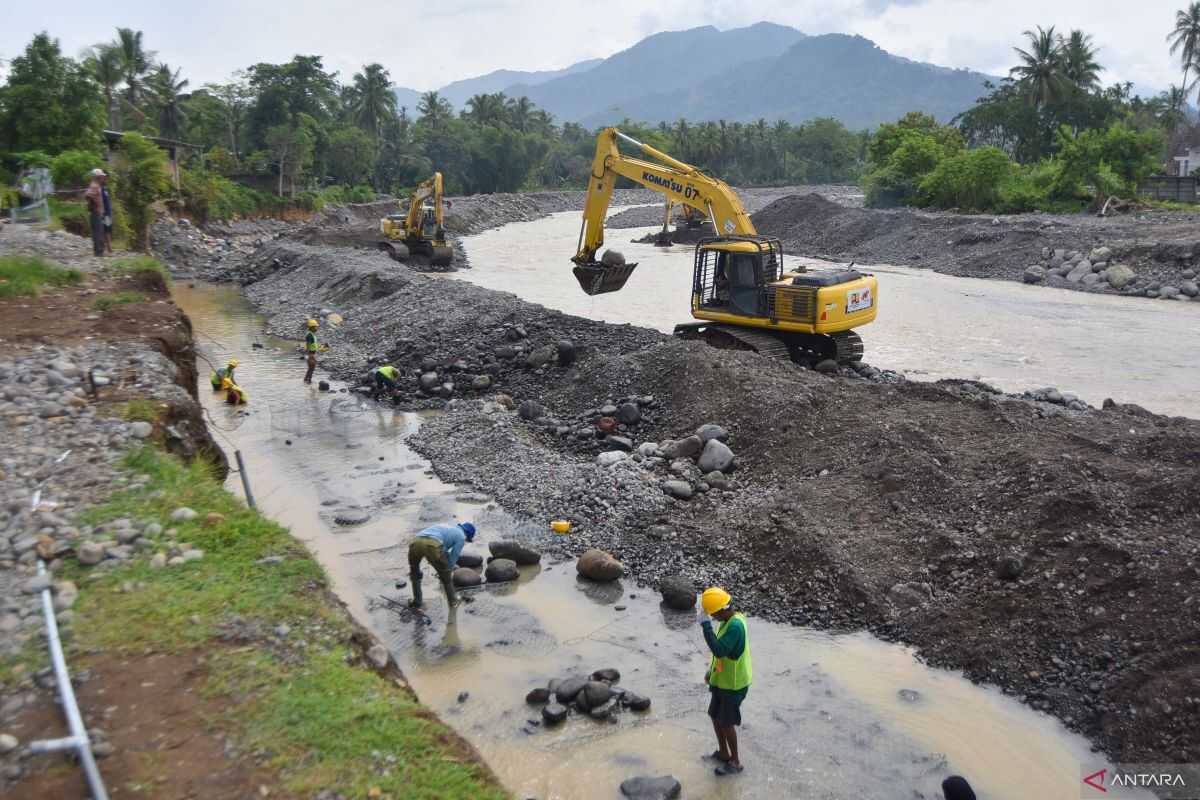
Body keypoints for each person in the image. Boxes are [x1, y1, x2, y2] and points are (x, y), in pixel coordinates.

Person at [698, 586, 751, 776]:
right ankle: (723, 753)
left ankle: (735, 761)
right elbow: (722, 653)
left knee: (726, 722)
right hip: (722, 680)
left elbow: (719, 650)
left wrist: (705, 626)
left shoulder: (735, 626)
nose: (714, 618)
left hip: (734, 685)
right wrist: (711, 671)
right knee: (715, 715)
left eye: (714, 615)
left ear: (723, 610)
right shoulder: (729, 620)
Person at [407, 522, 475, 609]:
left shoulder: (447, 527)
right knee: (446, 578)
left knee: (415, 572)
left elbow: (443, 549)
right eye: (467, 539)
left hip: (415, 542)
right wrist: (445, 571)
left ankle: (417, 602)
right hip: (432, 545)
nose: (465, 541)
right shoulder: (461, 537)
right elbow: (453, 557)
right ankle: (453, 602)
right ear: (467, 535)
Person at [84, 169, 106, 257]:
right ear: (97, 177)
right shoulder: (94, 186)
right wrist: (95, 204)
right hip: (96, 212)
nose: (102, 177)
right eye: (101, 176)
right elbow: (88, 195)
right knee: (98, 232)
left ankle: (99, 251)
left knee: (98, 232)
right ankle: (98, 252)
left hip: (96, 212)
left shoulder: (96, 185)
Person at [100, 172, 114, 255]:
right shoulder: (100, 188)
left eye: (107, 178)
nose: (106, 179)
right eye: (105, 178)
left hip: (108, 212)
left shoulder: (105, 188)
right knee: (105, 229)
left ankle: (108, 246)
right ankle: (108, 247)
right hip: (104, 213)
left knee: (108, 229)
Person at [303, 319, 320, 384]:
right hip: (311, 354)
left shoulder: (312, 334)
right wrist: (309, 355)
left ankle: (306, 380)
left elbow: (312, 344)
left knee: (311, 368)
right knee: (311, 368)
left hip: (312, 353)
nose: (316, 328)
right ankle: (309, 382)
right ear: (312, 327)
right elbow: (308, 345)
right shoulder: (309, 335)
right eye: (315, 327)